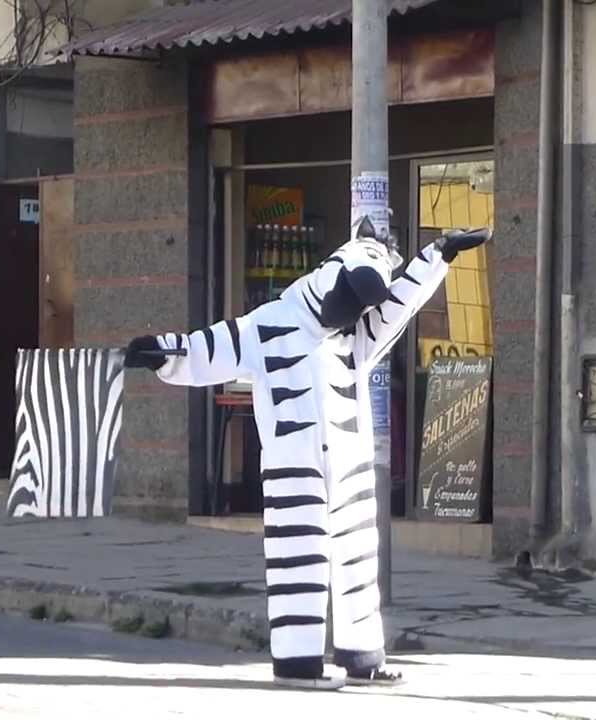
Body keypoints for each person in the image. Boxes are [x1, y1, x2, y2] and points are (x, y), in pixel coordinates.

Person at [124, 218, 489, 690]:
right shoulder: (271, 323)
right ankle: (298, 662)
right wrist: (163, 352)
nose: (356, 315)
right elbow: (210, 348)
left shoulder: (352, 335)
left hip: (350, 465)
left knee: (359, 561)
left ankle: (363, 656)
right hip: (293, 468)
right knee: (298, 559)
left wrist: (438, 254)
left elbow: (399, 305)